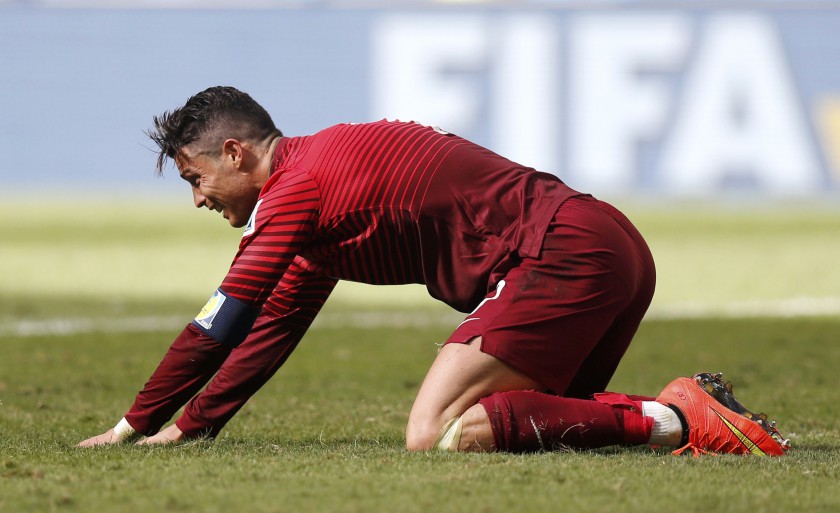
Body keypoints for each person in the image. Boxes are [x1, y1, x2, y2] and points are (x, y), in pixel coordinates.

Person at [78, 86, 787, 456]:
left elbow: (223, 319)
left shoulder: (297, 187)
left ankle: (674, 416)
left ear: (234, 152)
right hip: (609, 247)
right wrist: (192, 425)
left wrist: (132, 424)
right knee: (510, 425)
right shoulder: (315, 195)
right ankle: (689, 413)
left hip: (563, 252)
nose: (198, 197)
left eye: (194, 177)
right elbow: (270, 328)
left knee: (436, 431)